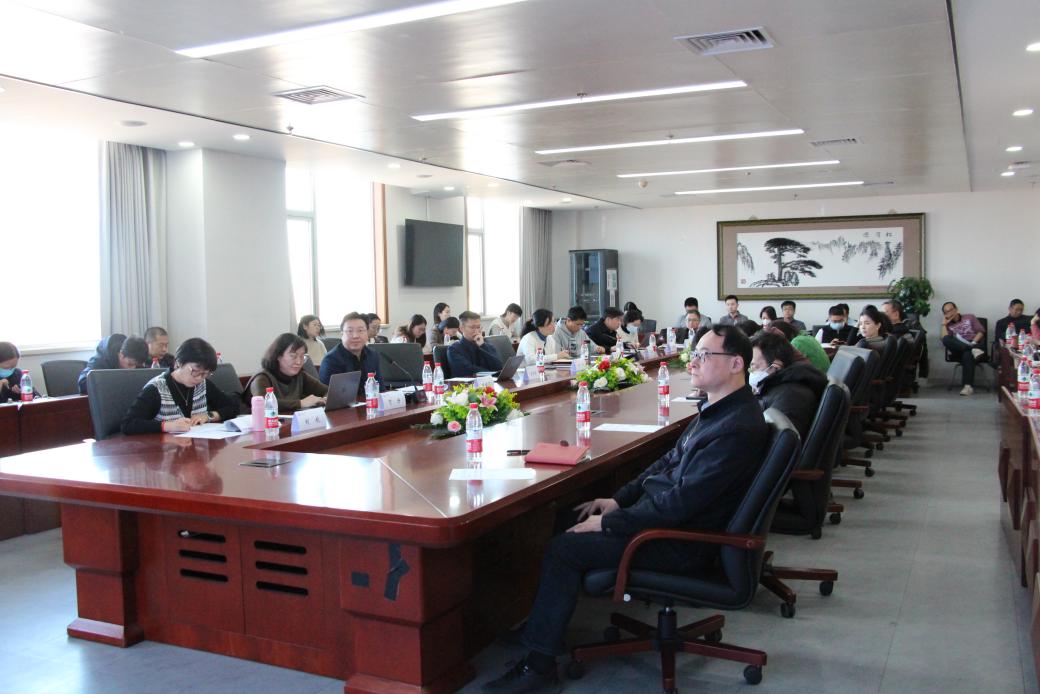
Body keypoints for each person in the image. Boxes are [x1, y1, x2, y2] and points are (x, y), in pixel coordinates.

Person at [479, 325, 769, 692]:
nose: (693, 362)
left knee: (564, 549)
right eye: (694, 353)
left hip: (682, 541)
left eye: (703, 355)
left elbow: (681, 504)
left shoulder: (735, 427)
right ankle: (543, 629)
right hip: (666, 519)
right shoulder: (718, 410)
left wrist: (610, 523)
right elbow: (667, 462)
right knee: (568, 517)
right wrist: (618, 500)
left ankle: (539, 666)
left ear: (736, 364)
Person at [121, 338, 241, 435]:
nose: (199, 378)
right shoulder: (157, 388)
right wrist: (168, 426)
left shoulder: (203, 385)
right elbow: (128, 424)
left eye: (205, 374)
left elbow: (232, 407)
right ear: (179, 363)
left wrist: (208, 416)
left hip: (197, 450)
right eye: (195, 371)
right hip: (164, 451)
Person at [749, 331, 826, 439]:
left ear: (775, 367)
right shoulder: (780, 385)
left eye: (753, 366)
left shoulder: (791, 396)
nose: (750, 372)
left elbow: (773, 441)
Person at [244, 333, 328, 413]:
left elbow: (328, 391)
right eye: (293, 356)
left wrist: (324, 399)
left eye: (302, 356)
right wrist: (301, 403)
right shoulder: (262, 377)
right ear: (278, 356)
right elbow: (263, 403)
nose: (299, 362)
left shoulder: (300, 375)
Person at [319, 312, 383, 396]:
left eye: (360, 330)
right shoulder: (331, 360)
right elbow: (328, 397)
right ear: (342, 333)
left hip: (371, 402)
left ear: (367, 333)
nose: (355, 336)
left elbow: (380, 388)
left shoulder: (372, 355)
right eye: (350, 331)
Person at [939, 301, 986, 396]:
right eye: (947, 312)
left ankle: (967, 387)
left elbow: (981, 332)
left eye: (951, 310)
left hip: (974, 345)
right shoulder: (948, 325)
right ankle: (970, 349)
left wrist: (973, 344)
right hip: (960, 350)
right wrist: (944, 324)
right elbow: (944, 339)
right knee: (946, 339)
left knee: (967, 354)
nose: (950, 313)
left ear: (956, 309)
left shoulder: (970, 317)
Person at [78, 334, 150, 394]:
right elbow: (83, 383)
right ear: (121, 354)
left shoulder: (136, 355)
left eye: (136, 365)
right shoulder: (100, 360)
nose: (133, 369)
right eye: (130, 364)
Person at [447, 311, 503, 377]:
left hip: (489, 381)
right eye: (472, 327)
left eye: (478, 327)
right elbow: (468, 370)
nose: (476, 331)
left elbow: (499, 367)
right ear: (461, 328)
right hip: (466, 383)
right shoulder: (454, 349)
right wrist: (492, 373)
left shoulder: (487, 345)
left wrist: (483, 346)